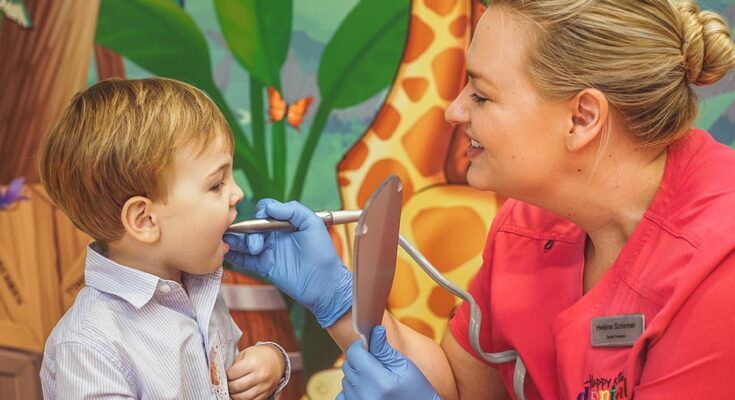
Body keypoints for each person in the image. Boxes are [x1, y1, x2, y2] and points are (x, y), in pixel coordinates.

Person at [224, 0, 735, 398]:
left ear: (581, 118)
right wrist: (339, 298)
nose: (452, 111)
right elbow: (464, 385)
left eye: (482, 95)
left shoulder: (719, 273)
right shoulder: (531, 221)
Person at [38, 78, 291, 400]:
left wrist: (269, 364)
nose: (237, 193)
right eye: (216, 184)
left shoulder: (200, 291)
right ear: (144, 220)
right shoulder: (89, 346)